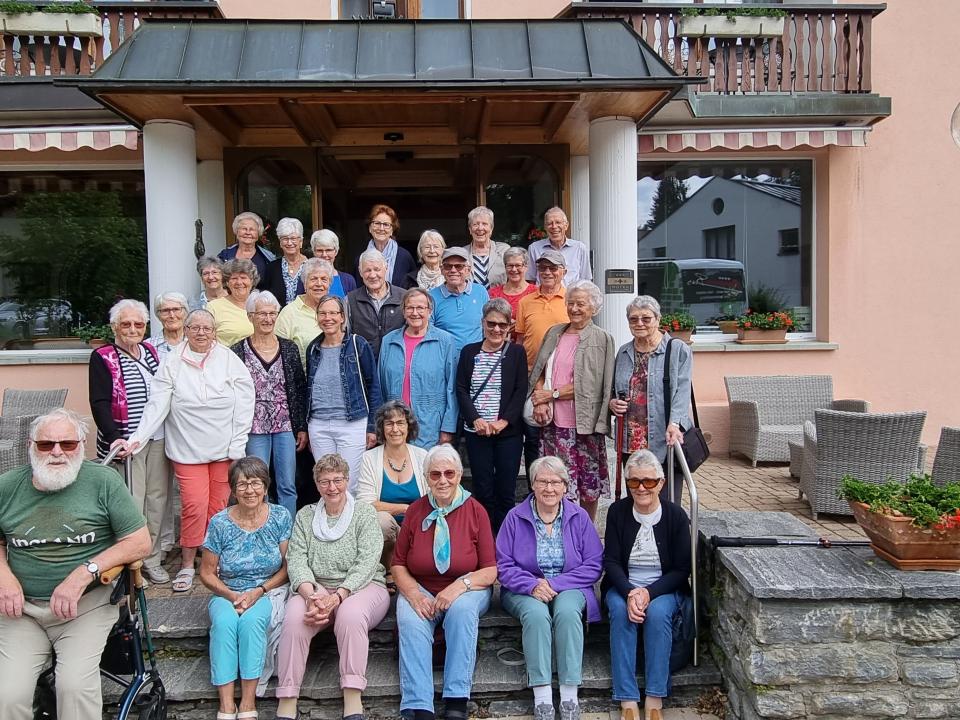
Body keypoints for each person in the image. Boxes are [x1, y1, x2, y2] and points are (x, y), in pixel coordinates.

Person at [0, 409, 151, 720]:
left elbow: (139, 541)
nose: (57, 452)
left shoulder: (103, 482)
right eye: (47, 445)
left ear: (82, 444)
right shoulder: (7, 486)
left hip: (86, 606)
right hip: (21, 610)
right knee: (7, 695)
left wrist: (84, 573)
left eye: (67, 444)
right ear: (31, 446)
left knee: (75, 688)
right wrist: (4, 577)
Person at [117, 309, 255, 593]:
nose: (201, 333)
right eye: (195, 328)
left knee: (217, 509)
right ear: (187, 330)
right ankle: (187, 564)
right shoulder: (172, 361)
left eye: (207, 328)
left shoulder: (228, 358)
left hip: (224, 448)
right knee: (193, 506)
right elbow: (157, 404)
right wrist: (138, 438)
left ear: (214, 331)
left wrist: (238, 443)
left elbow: (245, 399)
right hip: (186, 449)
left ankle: (212, 561)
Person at [276, 453, 390, 720]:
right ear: (317, 485)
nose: (332, 487)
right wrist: (310, 594)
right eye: (325, 481)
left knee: (350, 617)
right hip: (315, 589)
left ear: (347, 481)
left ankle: (352, 697)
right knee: (295, 619)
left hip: (362, 587)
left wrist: (339, 596)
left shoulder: (363, 513)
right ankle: (288, 697)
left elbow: (368, 560)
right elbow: (296, 559)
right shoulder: (306, 516)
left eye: (338, 480)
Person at [392, 444, 498, 720]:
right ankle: (419, 705)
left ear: (459, 475)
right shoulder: (415, 511)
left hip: (467, 587)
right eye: (435, 474)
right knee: (410, 617)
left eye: (449, 473)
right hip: (422, 587)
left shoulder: (476, 511)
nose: (443, 480)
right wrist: (414, 594)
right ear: (426, 477)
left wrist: (458, 587)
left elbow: (489, 571)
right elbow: (398, 564)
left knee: (461, 612)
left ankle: (456, 699)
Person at [496, 456, 603, 720]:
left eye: (556, 482)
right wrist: (532, 585)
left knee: (567, 613)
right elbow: (503, 565)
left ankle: (569, 695)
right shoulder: (514, 517)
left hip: (568, 585)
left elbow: (594, 564)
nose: (549, 488)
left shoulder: (579, 517)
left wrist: (554, 584)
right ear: (532, 485)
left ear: (566, 487)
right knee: (535, 615)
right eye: (542, 481)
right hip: (524, 588)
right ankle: (542, 696)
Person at [602, 450, 693, 720]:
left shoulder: (676, 516)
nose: (641, 488)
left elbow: (681, 569)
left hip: (663, 587)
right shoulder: (617, 512)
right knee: (621, 612)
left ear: (661, 483)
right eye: (634, 482)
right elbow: (611, 561)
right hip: (623, 585)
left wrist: (648, 592)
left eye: (649, 482)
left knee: (658, 612)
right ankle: (627, 698)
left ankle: (654, 697)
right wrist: (631, 591)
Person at [200, 456, 292, 720]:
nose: (249, 490)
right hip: (226, 590)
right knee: (225, 623)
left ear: (265, 486)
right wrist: (231, 595)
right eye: (242, 484)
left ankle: (249, 702)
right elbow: (206, 572)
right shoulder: (220, 523)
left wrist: (259, 591)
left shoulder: (279, 516)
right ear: (233, 489)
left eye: (255, 483)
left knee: (252, 623)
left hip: (266, 589)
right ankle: (226, 704)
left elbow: (288, 567)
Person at [89, 299, 168, 583]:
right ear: (114, 327)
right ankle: (132, 563)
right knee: (133, 505)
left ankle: (153, 558)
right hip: (127, 443)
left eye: (138, 324)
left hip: (156, 437)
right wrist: (114, 438)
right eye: (126, 324)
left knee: (157, 501)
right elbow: (98, 402)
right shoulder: (103, 356)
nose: (133, 329)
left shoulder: (150, 352)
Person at [528, 281, 614, 522]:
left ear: (594, 308)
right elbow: (539, 370)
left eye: (581, 304)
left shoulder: (601, 338)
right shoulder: (555, 332)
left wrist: (552, 394)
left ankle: (585, 532)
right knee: (554, 480)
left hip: (583, 423)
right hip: (553, 424)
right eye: (571, 303)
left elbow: (592, 384)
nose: (574, 308)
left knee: (588, 482)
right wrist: (540, 400)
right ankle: (557, 530)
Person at [231, 291, 308, 518]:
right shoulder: (237, 351)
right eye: (261, 314)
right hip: (254, 428)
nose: (267, 319)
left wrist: (301, 426)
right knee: (256, 484)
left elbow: (300, 388)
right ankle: (259, 530)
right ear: (250, 316)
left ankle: (288, 536)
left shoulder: (289, 348)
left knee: (287, 485)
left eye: (272, 313)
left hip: (285, 425)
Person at [610, 296, 692, 505]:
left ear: (658, 319)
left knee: (665, 499)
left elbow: (682, 391)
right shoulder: (624, 352)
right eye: (633, 319)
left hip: (664, 438)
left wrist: (675, 424)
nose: (639, 324)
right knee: (636, 497)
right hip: (631, 439)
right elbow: (614, 390)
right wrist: (612, 404)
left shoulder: (677, 349)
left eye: (646, 319)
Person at [455, 298, 527, 534]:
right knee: (483, 489)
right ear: (483, 323)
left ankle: (505, 542)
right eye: (491, 323)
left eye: (502, 325)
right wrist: (475, 419)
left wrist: (503, 422)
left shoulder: (516, 353)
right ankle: (485, 540)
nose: (496, 329)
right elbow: (462, 389)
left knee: (506, 491)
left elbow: (520, 390)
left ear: (509, 327)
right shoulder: (469, 352)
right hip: (477, 432)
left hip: (507, 434)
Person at [305, 295, 381, 495]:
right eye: (322, 313)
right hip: (319, 425)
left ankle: (351, 525)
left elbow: (373, 386)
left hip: (352, 424)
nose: (327, 318)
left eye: (333, 313)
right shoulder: (312, 348)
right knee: (325, 482)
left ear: (342, 317)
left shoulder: (358, 344)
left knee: (349, 483)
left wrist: (372, 427)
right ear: (317, 318)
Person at [514, 248, 569, 480]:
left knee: (559, 438)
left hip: (561, 380)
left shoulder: (571, 299)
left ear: (563, 272)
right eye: (543, 268)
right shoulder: (526, 302)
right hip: (530, 376)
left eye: (553, 268)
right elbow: (518, 339)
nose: (547, 272)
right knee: (533, 437)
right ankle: (533, 488)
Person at [380, 288, 458, 449]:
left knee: (428, 472)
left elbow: (452, 388)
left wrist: (448, 427)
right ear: (403, 311)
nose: (415, 313)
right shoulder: (389, 341)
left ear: (430, 311)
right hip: (395, 425)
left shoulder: (445, 341)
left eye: (420, 308)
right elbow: (380, 385)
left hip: (430, 426)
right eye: (410, 308)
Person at [356, 400, 428, 569]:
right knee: (383, 521)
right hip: (386, 533)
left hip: (417, 526)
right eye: (389, 424)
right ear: (382, 428)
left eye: (400, 423)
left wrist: (412, 515)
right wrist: (405, 508)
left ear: (409, 426)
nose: (395, 429)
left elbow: (433, 499)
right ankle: (388, 570)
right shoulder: (369, 458)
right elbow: (365, 505)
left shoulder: (422, 456)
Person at [429, 246, 489, 357]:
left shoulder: (480, 292)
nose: (453, 270)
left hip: (476, 359)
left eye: (459, 266)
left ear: (468, 270)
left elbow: (487, 326)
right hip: (445, 359)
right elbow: (428, 333)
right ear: (442, 270)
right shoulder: (431, 296)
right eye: (448, 266)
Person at [346, 248, 405, 359]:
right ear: (360, 272)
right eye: (368, 270)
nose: (373, 275)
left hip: (397, 363)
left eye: (377, 269)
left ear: (386, 268)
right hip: (363, 365)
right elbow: (345, 337)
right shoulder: (350, 300)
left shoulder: (403, 297)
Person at [275, 258, 334, 365]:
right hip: (302, 379)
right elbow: (278, 353)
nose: (319, 284)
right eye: (313, 279)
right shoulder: (289, 313)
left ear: (329, 284)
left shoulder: (336, 311)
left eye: (324, 279)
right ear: (304, 283)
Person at [526, 208, 592, 286]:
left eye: (558, 222)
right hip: (544, 297)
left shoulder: (579, 248)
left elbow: (586, 281)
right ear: (545, 227)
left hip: (570, 297)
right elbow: (531, 280)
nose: (554, 226)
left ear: (566, 226)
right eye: (549, 223)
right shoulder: (534, 248)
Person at [356, 204, 416, 289]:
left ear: (392, 230)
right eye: (377, 223)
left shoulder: (405, 257)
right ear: (370, 228)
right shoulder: (361, 259)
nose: (381, 228)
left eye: (386, 224)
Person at [208, 258, 258, 347]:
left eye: (243, 278)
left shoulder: (262, 304)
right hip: (227, 358)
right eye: (234, 278)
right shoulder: (214, 307)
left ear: (252, 281)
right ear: (227, 282)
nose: (239, 282)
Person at [218, 211, 275, 288]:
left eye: (252, 229)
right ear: (236, 231)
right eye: (244, 229)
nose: (248, 232)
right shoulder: (225, 255)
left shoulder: (268, 258)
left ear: (258, 233)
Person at [264, 217, 309, 306]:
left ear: (301, 242)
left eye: (293, 238)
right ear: (280, 242)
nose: (289, 243)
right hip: (279, 318)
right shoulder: (271, 268)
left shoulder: (312, 267)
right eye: (285, 238)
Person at [463, 206, 510, 288]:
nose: (480, 228)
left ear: (491, 228)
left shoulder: (504, 250)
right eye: (475, 224)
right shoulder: (462, 253)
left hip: (499, 300)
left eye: (484, 224)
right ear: (470, 229)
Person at [489, 246, 537, 322]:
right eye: (510, 265)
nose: (514, 269)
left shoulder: (535, 292)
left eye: (518, 265)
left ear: (526, 267)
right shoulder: (493, 293)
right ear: (505, 267)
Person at [311, 229, 356, 298]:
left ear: (336, 251)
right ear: (313, 252)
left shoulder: (348, 280)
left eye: (328, 250)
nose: (324, 255)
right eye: (320, 250)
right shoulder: (306, 278)